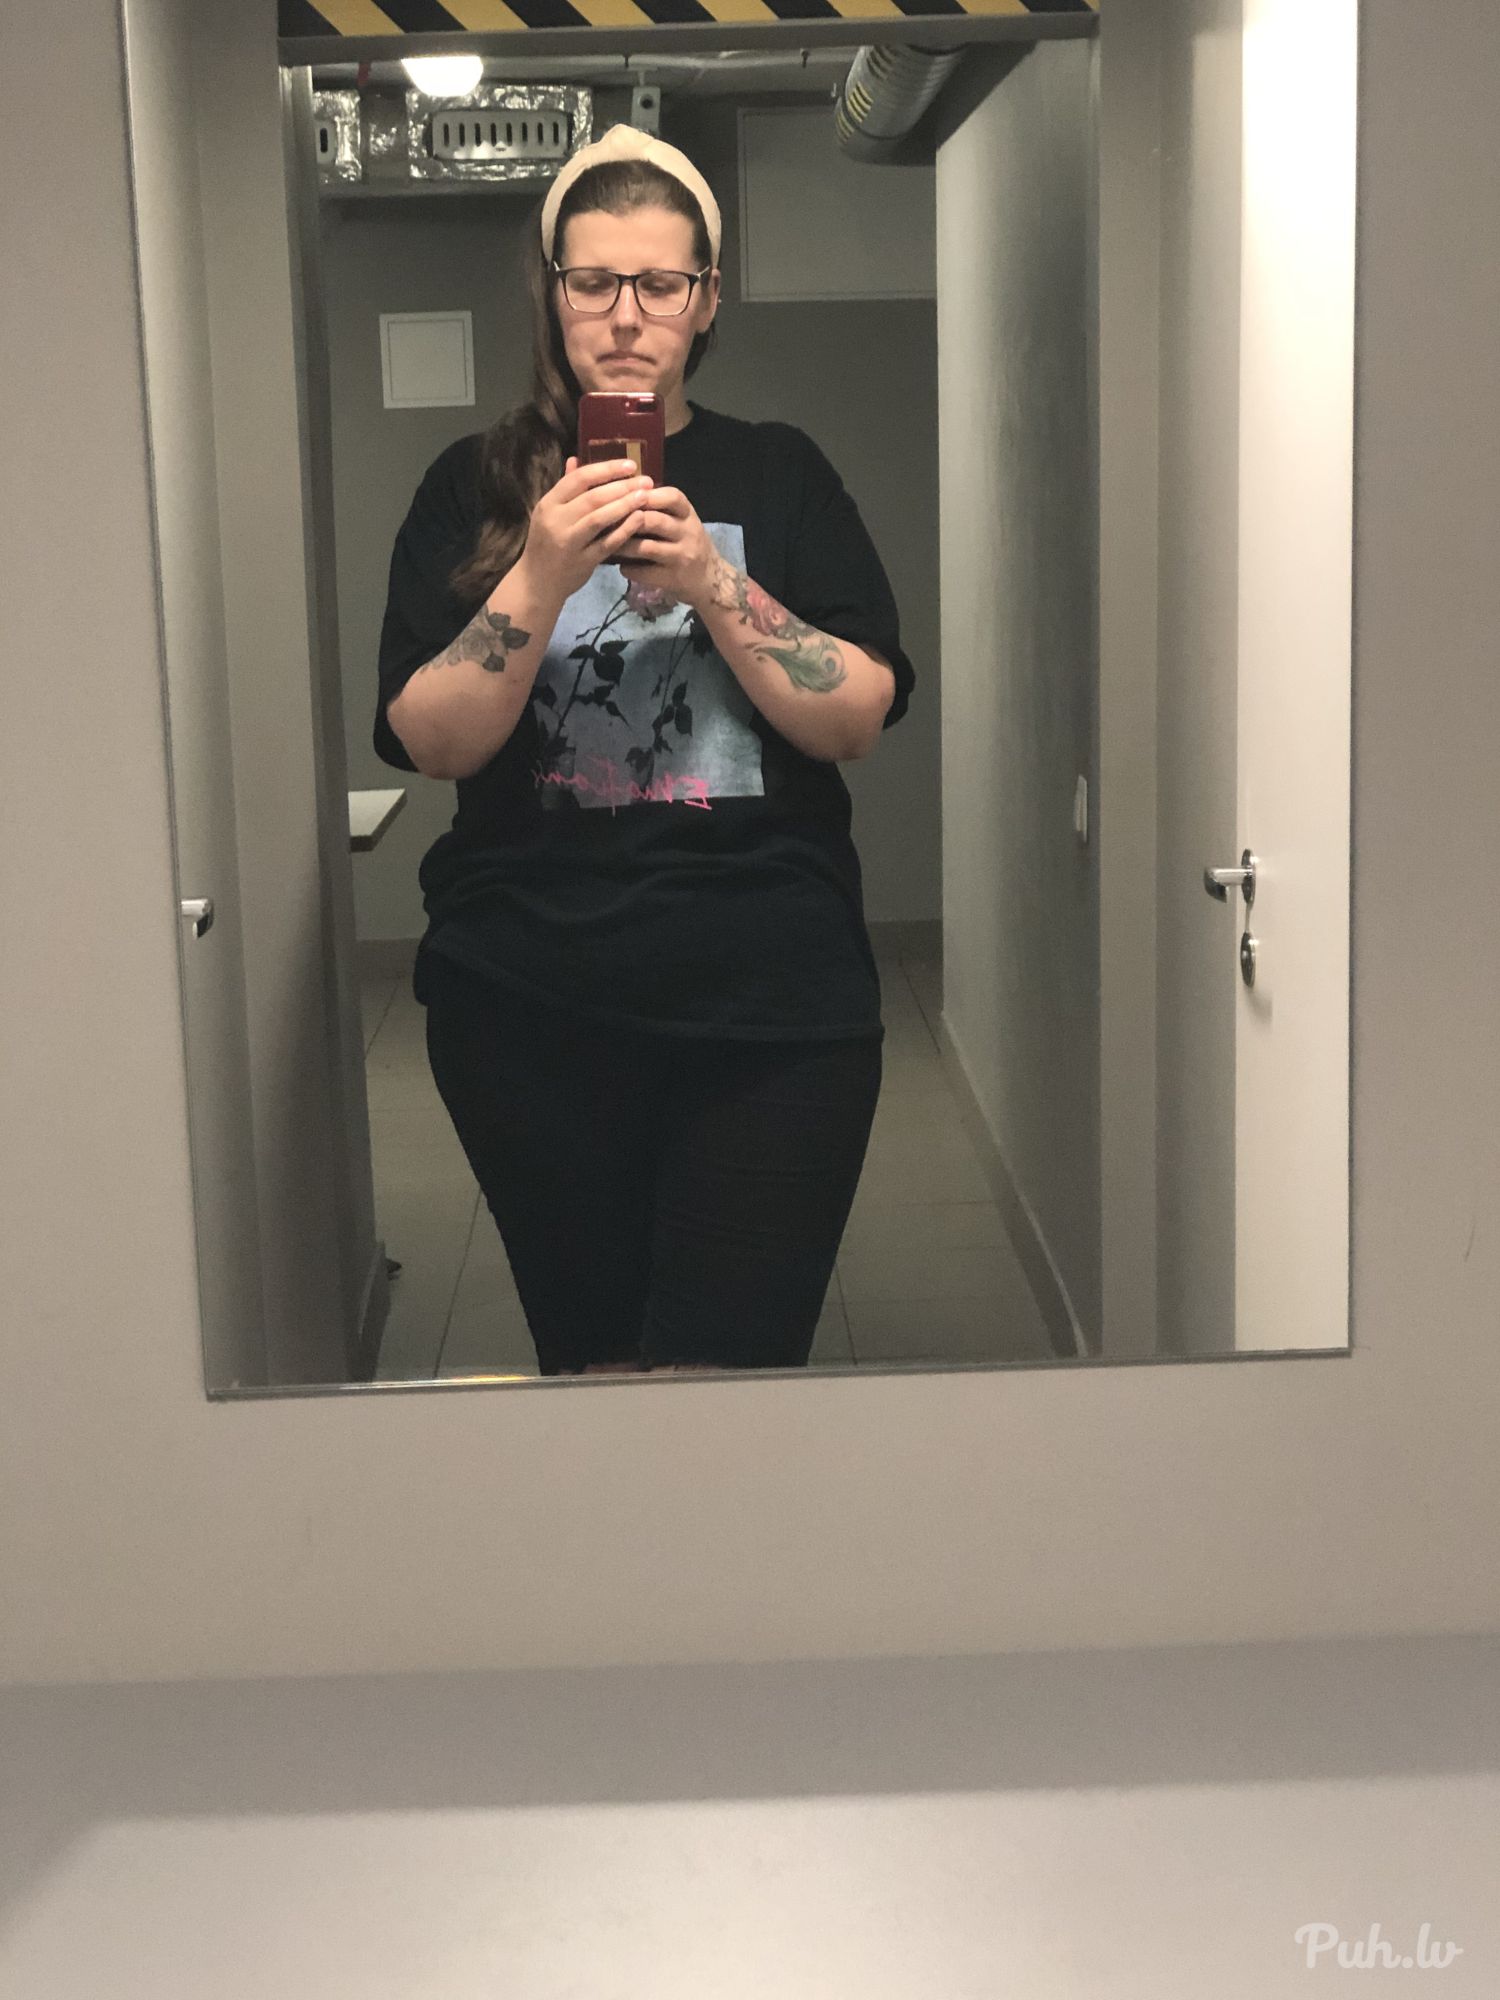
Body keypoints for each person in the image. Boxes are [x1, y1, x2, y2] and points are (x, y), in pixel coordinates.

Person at [374, 121, 916, 1379]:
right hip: (526, 1010)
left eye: (660, 283)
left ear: (706, 299)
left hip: (773, 1009)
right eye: (594, 281)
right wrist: (540, 570)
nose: (626, 315)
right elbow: (430, 741)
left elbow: (856, 717)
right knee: (597, 1373)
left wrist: (716, 581)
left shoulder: (780, 470)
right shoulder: (473, 484)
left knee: (725, 1385)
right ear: (554, 292)